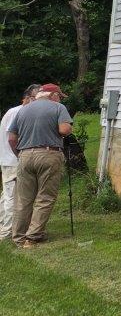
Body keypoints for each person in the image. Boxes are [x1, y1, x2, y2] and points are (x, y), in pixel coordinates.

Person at [8, 83, 73, 247]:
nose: (60, 99)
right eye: (59, 96)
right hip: (49, 154)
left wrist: (19, 154)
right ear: (53, 96)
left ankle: (18, 237)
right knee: (45, 197)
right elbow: (65, 130)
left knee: (23, 199)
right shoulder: (58, 108)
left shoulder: (23, 110)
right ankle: (33, 237)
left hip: (25, 155)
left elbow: (11, 138)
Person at [0, 85, 40, 241]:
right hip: (13, 159)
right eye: (38, 99)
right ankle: (7, 231)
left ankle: (4, 223)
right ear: (29, 98)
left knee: (7, 194)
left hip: (9, 158)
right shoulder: (19, 112)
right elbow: (13, 138)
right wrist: (20, 155)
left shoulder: (14, 111)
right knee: (12, 196)